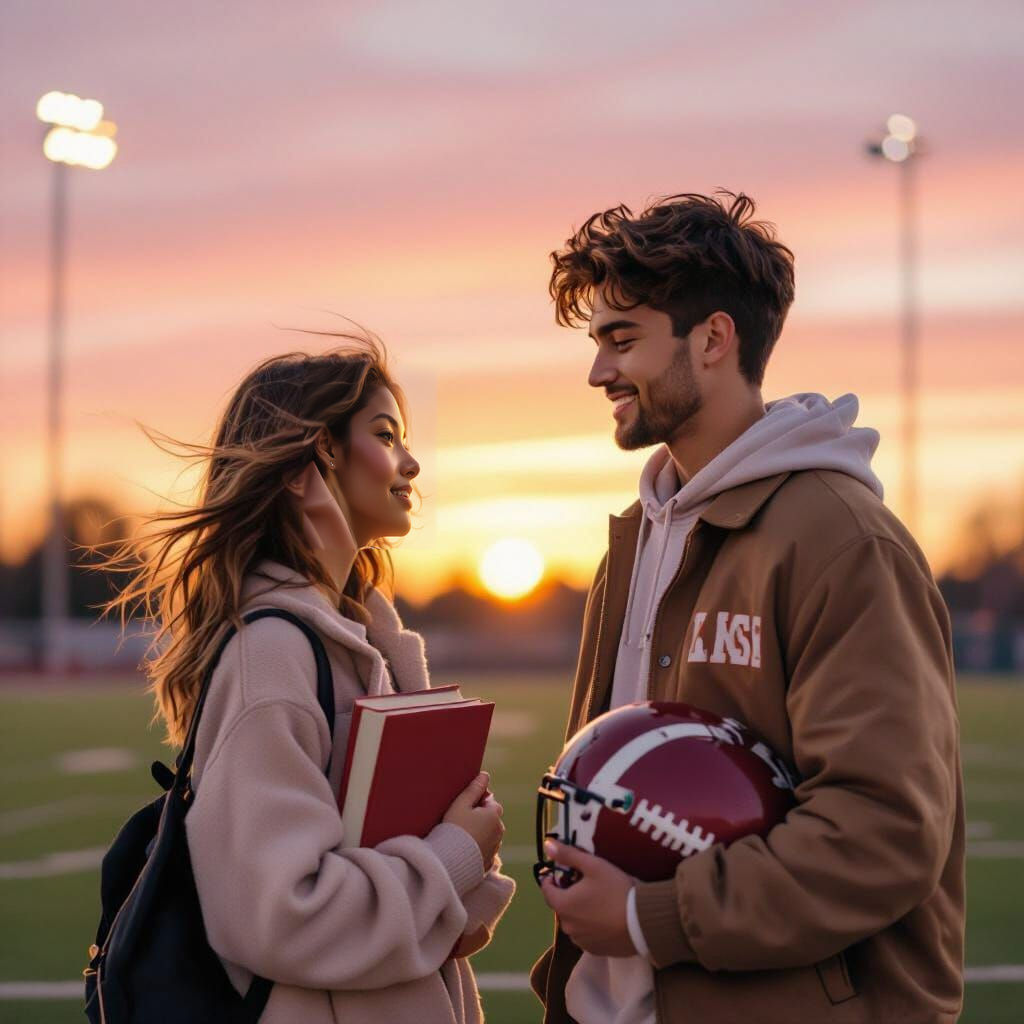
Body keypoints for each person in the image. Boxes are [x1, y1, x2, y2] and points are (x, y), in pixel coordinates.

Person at [530, 192, 964, 1023]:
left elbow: (883, 831)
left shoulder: (841, 541)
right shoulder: (633, 543)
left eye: (623, 340)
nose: (598, 372)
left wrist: (644, 917)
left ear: (715, 339)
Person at [96, 336, 515, 1024]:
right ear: (307, 465)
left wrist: (459, 867)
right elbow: (286, 916)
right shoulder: (273, 654)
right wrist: (454, 857)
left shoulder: (365, 644)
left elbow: (437, 922)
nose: (410, 463)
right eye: (385, 436)